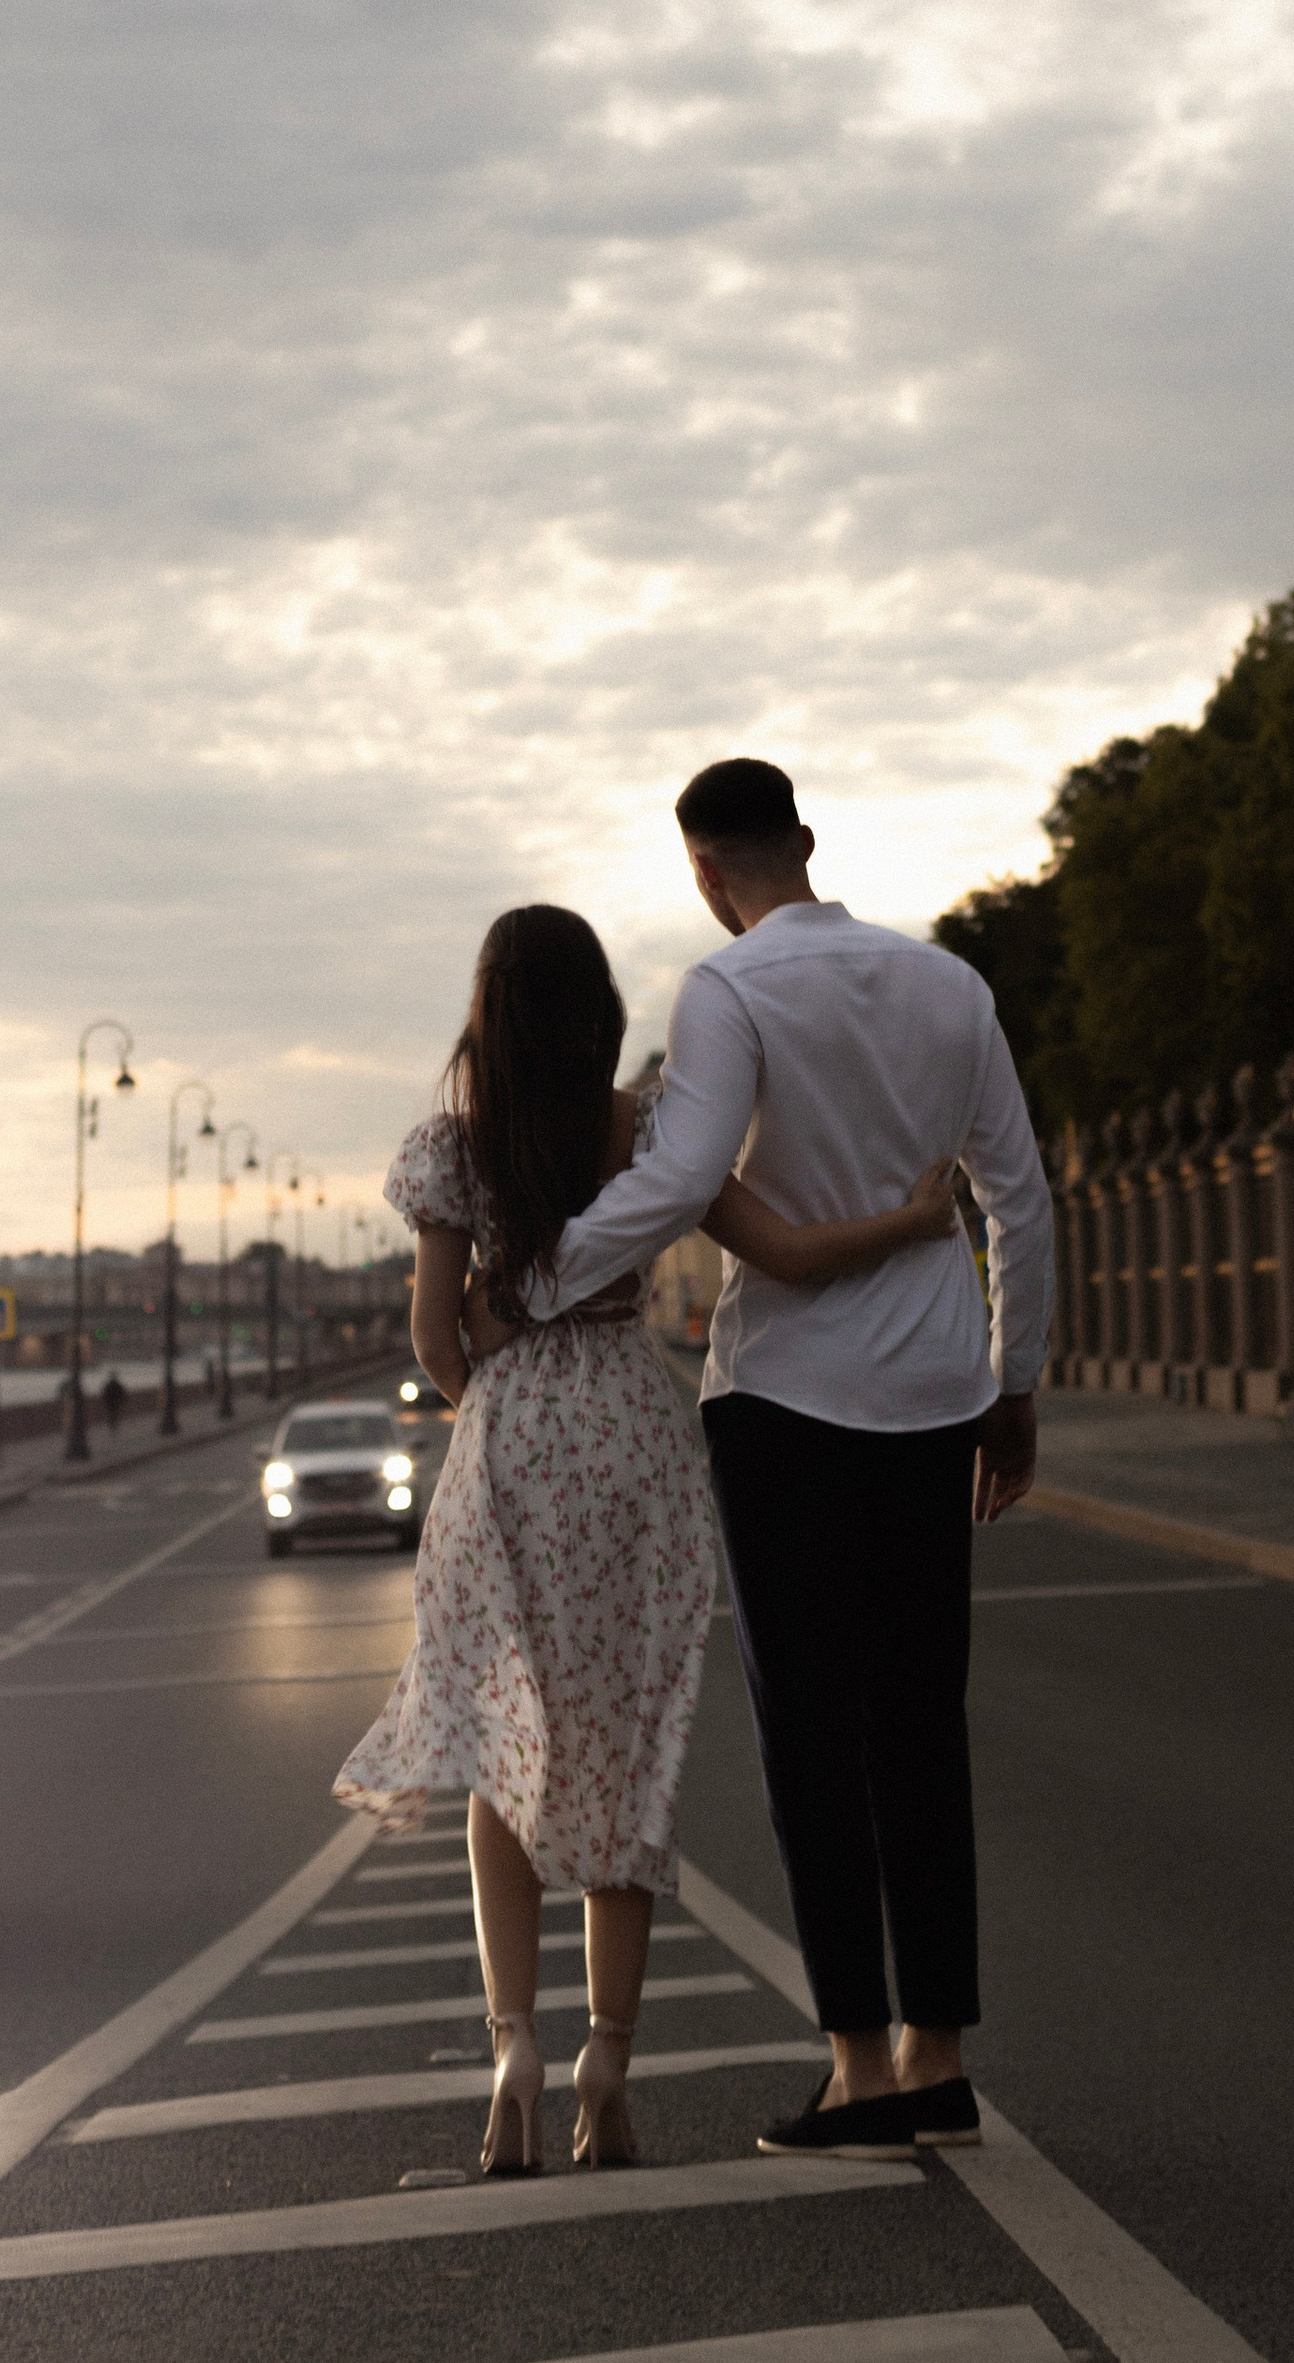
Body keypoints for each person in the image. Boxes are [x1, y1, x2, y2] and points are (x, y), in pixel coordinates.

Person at [335, 902, 959, 2178]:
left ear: (487, 1010)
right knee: (624, 1746)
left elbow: (437, 1344)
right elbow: (776, 1249)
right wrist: (908, 1223)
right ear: (599, 1012)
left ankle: (513, 2048)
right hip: (631, 1438)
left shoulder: (452, 1149)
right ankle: (606, 2058)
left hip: (509, 1451)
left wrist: (505, 1388)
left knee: (507, 1756)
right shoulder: (642, 1128)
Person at [522, 759, 1054, 2159]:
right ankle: (942, 2057)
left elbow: (684, 1178)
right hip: (938, 1395)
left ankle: (860, 2068)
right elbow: (1021, 1198)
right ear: (806, 843)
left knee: (810, 1735)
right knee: (921, 1723)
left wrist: (537, 1275)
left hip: (783, 1406)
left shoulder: (730, 992)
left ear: (704, 870)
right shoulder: (950, 987)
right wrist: (1017, 1388)